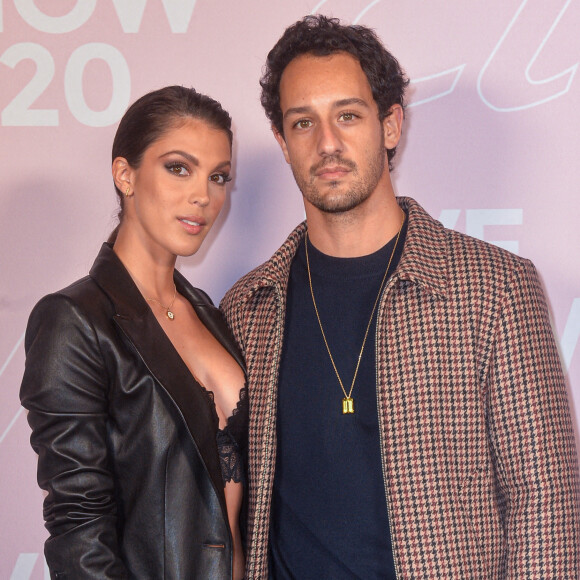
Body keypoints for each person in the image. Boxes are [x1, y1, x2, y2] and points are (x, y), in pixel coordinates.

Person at [220, 15, 580, 579]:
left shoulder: (496, 289)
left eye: (348, 115)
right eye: (303, 123)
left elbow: (547, 506)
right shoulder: (247, 307)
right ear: (283, 143)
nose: (328, 143)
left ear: (391, 125)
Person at [20, 86, 247, 580]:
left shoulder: (211, 313)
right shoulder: (75, 319)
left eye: (218, 177)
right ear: (125, 174)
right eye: (178, 168)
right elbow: (78, 528)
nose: (202, 196)